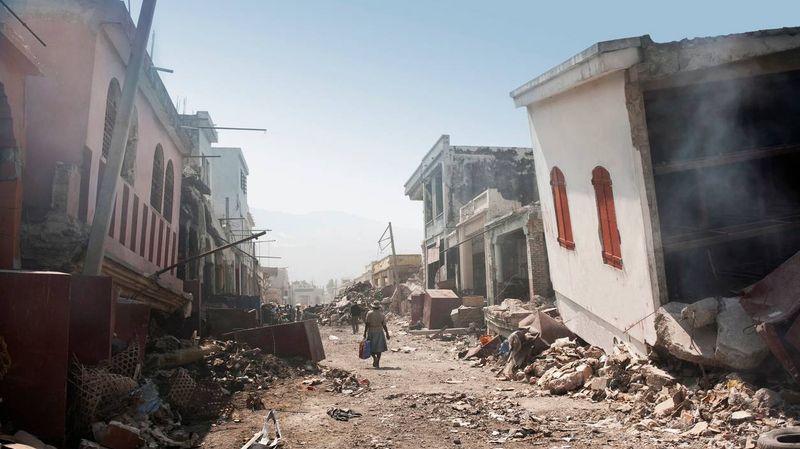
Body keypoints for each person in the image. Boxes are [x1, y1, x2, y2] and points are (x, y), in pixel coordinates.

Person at [363, 300, 390, 368]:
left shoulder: (369, 313)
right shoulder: (382, 314)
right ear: (379, 307)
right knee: (379, 348)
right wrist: (387, 333)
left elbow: (367, 324)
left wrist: (364, 332)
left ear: (373, 307)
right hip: (379, 331)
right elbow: (384, 325)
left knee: (370, 347)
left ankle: (374, 358)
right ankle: (377, 362)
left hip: (371, 331)